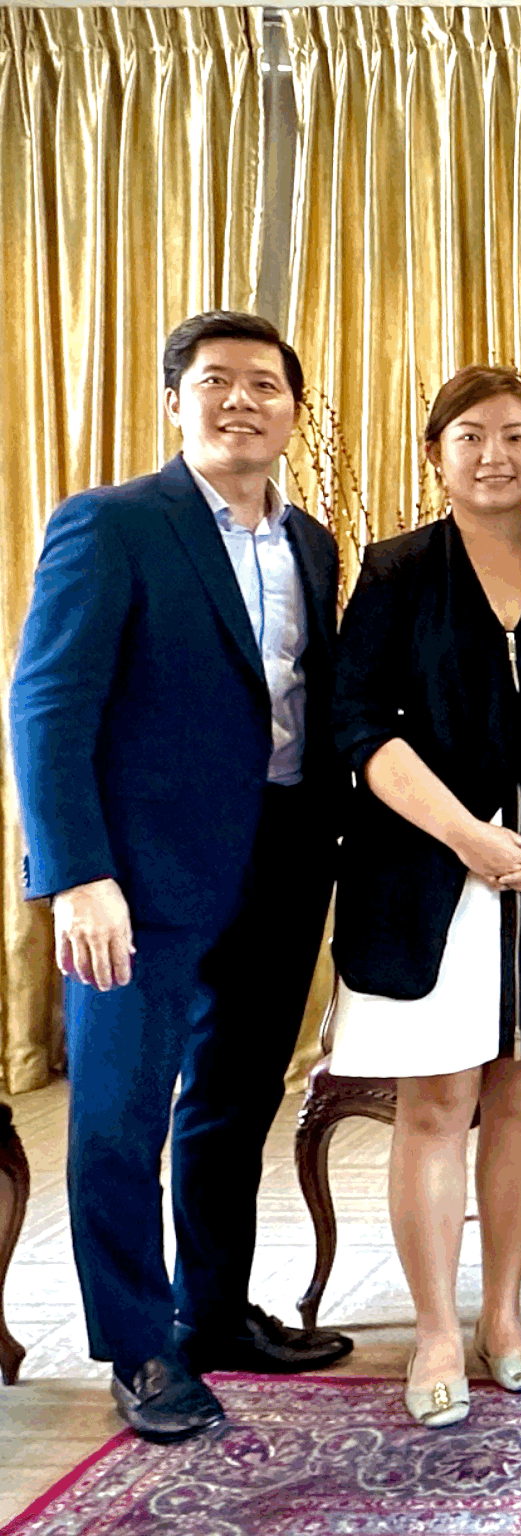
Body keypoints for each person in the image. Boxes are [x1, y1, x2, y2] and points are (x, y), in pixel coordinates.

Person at [9, 311, 351, 1443]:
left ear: (295, 412)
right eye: (216, 382)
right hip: (137, 881)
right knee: (117, 1111)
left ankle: (211, 1313)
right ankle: (138, 1345)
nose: (241, 400)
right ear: (176, 403)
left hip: (282, 861)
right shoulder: (111, 525)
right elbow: (46, 704)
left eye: (265, 384)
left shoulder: (313, 543)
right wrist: (76, 874)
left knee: (230, 1102)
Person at [326, 367, 521, 1427]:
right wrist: (464, 834)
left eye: (516, 436)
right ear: (436, 453)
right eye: (471, 436)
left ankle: (504, 1318)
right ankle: (434, 1331)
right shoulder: (396, 569)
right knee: (438, 1101)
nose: (494, 454)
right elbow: (359, 726)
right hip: (430, 870)